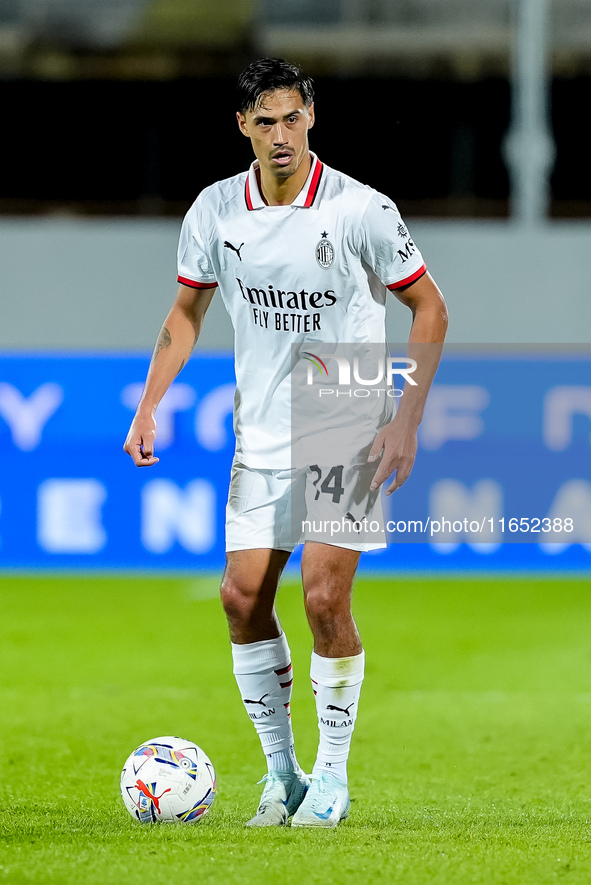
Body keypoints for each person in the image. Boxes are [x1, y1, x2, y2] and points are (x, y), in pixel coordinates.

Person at [124, 57, 448, 828]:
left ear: (311, 117)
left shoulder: (360, 209)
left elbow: (429, 309)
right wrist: (148, 403)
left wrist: (403, 418)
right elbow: (185, 313)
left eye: (291, 117)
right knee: (240, 598)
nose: (279, 134)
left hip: (345, 402)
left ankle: (333, 778)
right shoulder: (212, 211)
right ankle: (284, 775)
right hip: (262, 420)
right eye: (263, 121)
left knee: (325, 596)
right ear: (241, 126)